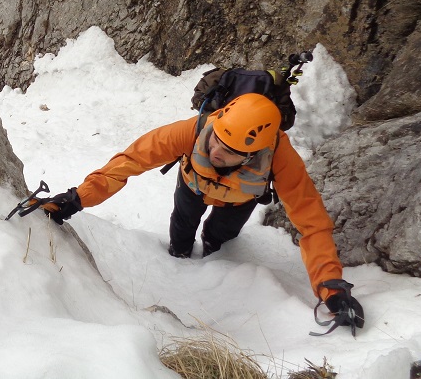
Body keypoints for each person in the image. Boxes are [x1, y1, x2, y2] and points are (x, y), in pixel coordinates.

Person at [40, 92, 365, 334]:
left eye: (227, 151)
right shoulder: (193, 130)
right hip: (192, 186)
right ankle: (178, 254)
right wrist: (76, 199)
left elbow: (311, 223)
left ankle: (211, 252)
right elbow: (129, 162)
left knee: (220, 235)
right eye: (215, 140)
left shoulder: (279, 156)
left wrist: (331, 289)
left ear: (254, 154)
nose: (214, 150)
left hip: (238, 202)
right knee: (181, 226)